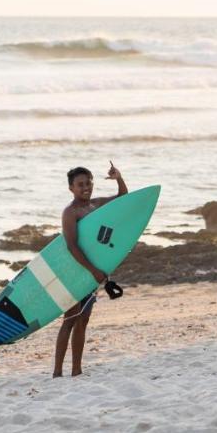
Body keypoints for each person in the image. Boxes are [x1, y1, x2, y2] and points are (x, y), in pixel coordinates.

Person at [54, 161, 127, 377]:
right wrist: (92, 270)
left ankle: (76, 369)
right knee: (70, 319)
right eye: (80, 184)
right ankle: (57, 372)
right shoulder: (70, 212)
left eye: (88, 183)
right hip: (76, 269)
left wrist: (119, 178)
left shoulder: (94, 205)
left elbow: (122, 198)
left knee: (83, 319)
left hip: (91, 270)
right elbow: (71, 246)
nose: (86, 187)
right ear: (71, 188)